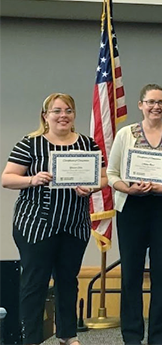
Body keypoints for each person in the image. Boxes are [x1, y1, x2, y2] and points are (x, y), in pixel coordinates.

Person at [2, 93, 109, 345]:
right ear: (45, 116)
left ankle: (67, 335)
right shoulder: (30, 143)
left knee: (68, 280)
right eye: (57, 111)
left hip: (74, 225)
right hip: (36, 224)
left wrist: (91, 187)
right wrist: (32, 179)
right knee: (34, 283)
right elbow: (7, 178)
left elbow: (104, 178)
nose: (63, 115)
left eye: (68, 110)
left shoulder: (88, 144)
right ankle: (31, 338)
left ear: (74, 115)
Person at [106, 84, 162, 345]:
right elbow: (112, 175)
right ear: (140, 104)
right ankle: (131, 336)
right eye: (151, 102)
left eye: (161, 102)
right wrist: (130, 189)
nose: (156, 107)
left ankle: (158, 337)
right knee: (131, 273)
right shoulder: (125, 134)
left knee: (161, 273)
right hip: (132, 207)